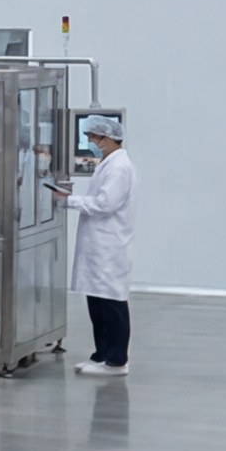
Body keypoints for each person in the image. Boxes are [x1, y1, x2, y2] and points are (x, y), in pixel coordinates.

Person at [54, 116, 136, 374]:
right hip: (99, 245)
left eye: (93, 138)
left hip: (109, 247)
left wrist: (70, 200)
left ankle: (116, 360)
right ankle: (102, 354)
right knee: (98, 304)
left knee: (111, 304)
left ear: (108, 138)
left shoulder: (119, 167)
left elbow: (105, 204)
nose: (90, 142)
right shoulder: (108, 163)